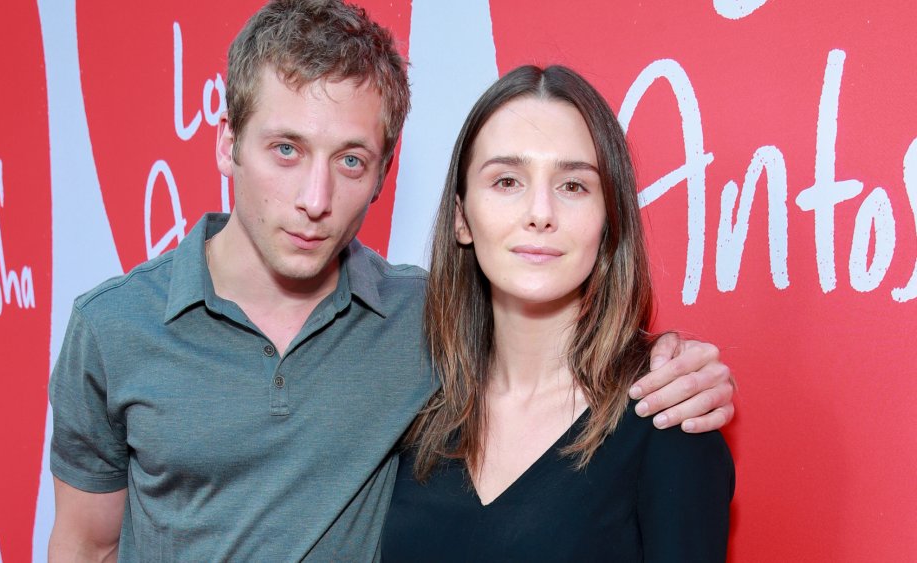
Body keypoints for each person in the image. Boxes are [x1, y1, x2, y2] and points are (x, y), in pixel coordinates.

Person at [47, 1, 735, 561]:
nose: (314, 196)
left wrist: (674, 360)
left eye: (350, 159)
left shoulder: (417, 322)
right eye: (286, 149)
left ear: (384, 172)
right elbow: (85, 546)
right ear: (228, 142)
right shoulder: (113, 328)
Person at [381, 65, 735, 561]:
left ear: (608, 222)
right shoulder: (408, 405)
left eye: (573, 186)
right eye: (507, 181)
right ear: (462, 217)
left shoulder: (667, 417)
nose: (540, 211)